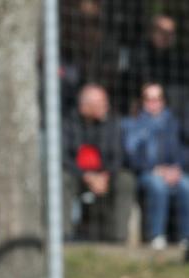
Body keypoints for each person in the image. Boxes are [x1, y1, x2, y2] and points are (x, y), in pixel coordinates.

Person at [61, 84, 134, 242]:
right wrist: (86, 176)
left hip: (105, 177)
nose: (105, 106)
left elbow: (119, 156)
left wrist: (105, 176)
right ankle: (64, 235)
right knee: (61, 179)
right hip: (77, 176)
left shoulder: (113, 123)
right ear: (85, 106)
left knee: (126, 180)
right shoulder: (67, 123)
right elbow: (62, 157)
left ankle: (118, 237)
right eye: (101, 103)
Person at [123, 82, 189, 249]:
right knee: (157, 186)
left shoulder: (173, 124)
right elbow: (130, 156)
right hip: (146, 173)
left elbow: (183, 151)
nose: (154, 103)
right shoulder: (132, 125)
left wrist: (176, 168)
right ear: (142, 101)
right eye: (149, 99)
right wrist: (154, 169)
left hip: (173, 171)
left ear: (164, 101)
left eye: (158, 98)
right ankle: (157, 235)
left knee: (186, 186)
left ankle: (185, 237)